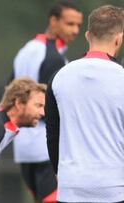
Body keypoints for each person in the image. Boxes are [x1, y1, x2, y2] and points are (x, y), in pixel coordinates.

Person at [45, 5, 124, 203]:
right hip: (115, 189)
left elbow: (52, 135)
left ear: (88, 36)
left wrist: (62, 175)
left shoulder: (59, 77)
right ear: (119, 38)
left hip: (70, 188)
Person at [9, 1, 82, 202]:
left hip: (23, 146)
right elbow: (53, 106)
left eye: (78, 25)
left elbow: (10, 93)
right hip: (45, 148)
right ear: (53, 21)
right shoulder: (55, 58)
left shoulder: (26, 49)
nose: (75, 30)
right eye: (69, 24)